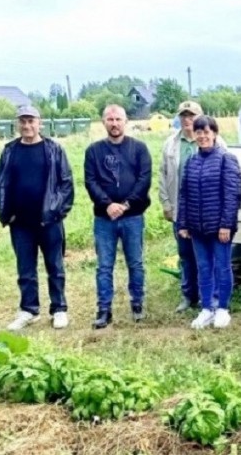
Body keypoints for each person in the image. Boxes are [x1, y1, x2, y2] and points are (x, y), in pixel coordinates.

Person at [0, 105, 74, 331]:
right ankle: (29, 310)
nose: (27, 126)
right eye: (23, 121)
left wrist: (56, 212)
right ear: (17, 124)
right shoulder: (9, 151)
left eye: (31, 121)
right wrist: (5, 213)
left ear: (40, 123)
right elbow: (0, 184)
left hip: (49, 221)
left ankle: (59, 309)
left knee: (55, 267)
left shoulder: (54, 150)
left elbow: (66, 184)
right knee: (25, 269)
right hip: (20, 222)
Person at [84, 104, 152, 329]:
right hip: (104, 219)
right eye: (110, 119)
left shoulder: (139, 149)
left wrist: (125, 205)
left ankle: (138, 304)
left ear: (126, 121)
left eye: (118, 119)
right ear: (103, 122)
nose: (114, 124)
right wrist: (107, 205)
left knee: (136, 263)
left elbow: (144, 180)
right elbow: (91, 181)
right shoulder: (93, 151)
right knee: (104, 266)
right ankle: (104, 309)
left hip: (133, 216)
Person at [177, 116, 241, 330]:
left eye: (206, 132)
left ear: (214, 134)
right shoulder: (191, 162)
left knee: (222, 267)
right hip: (197, 228)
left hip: (219, 228)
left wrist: (226, 225)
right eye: (198, 132)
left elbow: (232, 195)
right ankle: (207, 308)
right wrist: (183, 224)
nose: (202, 136)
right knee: (203, 268)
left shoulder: (226, 159)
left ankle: (222, 308)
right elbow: (184, 195)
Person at [160, 100, 203, 312]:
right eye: (184, 115)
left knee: (204, 256)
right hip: (180, 209)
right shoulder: (170, 144)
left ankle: (206, 295)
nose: (187, 119)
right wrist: (166, 204)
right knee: (185, 255)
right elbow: (163, 175)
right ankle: (188, 296)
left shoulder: (214, 141)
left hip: (205, 211)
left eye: (192, 115)